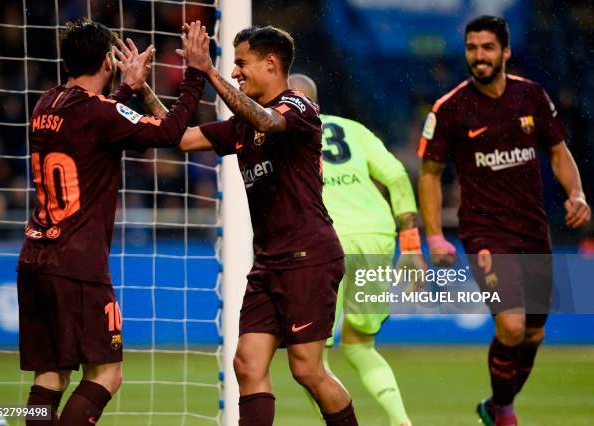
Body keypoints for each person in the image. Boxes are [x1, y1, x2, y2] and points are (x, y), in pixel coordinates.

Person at [17, 18, 210, 425]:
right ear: (108, 60)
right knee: (107, 373)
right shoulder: (101, 114)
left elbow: (96, 120)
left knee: (51, 375)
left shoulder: (45, 104)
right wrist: (195, 73)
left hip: (35, 258)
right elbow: (172, 132)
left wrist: (125, 89)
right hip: (78, 265)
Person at [178, 25, 359, 425]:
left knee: (307, 369)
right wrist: (142, 89)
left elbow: (267, 120)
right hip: (269, 263)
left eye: (242, 63)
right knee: (247, 364)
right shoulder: (243, 124)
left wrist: (210, 73)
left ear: (271, 63)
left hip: (308, 256)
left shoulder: (298, 106)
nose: (237, 71)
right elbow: (183, 138)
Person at [417, 15, 591, 426]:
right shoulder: (450, 109)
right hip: (485, 232)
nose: (479, 56)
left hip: (533, 230)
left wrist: (577, 193)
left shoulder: (531, 97)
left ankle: (494, 407)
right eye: (472, 48)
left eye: (488, 48)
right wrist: (436, 236)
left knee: (533, 334)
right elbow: (429, 173)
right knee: (511, 327)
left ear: (506, 52)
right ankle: (507, 414)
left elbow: (558, 151)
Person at [288, 73, 421, 426]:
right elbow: (395, 174)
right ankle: (401, 420)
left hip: (324, 240)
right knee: (360, 345)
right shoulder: (354, 129)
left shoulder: (279, 130)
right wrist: (411, 243)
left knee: (311, 357)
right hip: (377, 235)